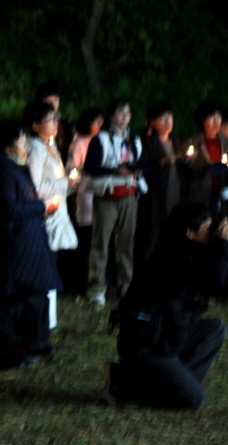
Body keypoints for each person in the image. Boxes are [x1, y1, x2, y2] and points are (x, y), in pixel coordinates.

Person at [107, 203, 227, 409]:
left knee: (214, 328)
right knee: (194, 399)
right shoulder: (175, 258)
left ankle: (172, 383)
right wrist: (222, 243)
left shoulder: (190, 250)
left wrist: (221, 245)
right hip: (149, 345)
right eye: (207, 226)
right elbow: (215, 282)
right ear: (190, 232)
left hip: (168, 337)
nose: (212, 231)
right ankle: (123, 384)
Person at [0, 119, 60, 365]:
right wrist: (40, 207)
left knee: (36, 294)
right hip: (15, 244)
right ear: (8, 145)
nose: (26, 145)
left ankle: (37, 342)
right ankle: (15, 345)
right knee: (19, 298)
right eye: (22, 140)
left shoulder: (17, 168)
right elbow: (8, 208)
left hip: (28, 241)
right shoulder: (1, 170)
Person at [83, 100, 146, 307]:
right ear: (110, 116)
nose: (124, 116)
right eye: (120, 112)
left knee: (126, 243)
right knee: (101, 242)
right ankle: (96, 288)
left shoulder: (134, 138)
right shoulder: (100, 138)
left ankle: (126, 286)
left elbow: (143, 163)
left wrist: (136, 171)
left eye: (127, 112)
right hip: (107, 195)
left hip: (129, 195)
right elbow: (90, 167)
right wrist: (114, 171)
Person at [23, 100, 77, 330]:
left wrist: (69, 184)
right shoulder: (35, 149)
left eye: (56, 118)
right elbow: (34, 188)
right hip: (44, 217)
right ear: (35, 125)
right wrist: (64, 183)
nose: (56, 123)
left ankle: (48, 320)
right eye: (50, 119)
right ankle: (44, 321)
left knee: (51, 266)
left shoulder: (50, 147)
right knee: (45, 267)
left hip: (55, 213)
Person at [64, 107, 104, 295]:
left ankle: (94, 280)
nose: (101, 125)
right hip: (85, 195)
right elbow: (72, 170)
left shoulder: (100, 141)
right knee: (85, 241)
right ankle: (80, 283)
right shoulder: (80, 143)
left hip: (98, 194)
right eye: (97, 122)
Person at [135, 103, 181, 266]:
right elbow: (141, 169)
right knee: (150, 236)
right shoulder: (147, 143)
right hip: (154, 196)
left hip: (174, 194)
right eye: (163, 119)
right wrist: (161, 162)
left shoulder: (175, 142)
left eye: (170, 118)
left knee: (170, 236)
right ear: (152, 122)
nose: (168, 122)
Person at [181, 101, 228, 214]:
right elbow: (187, 165)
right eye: (212, 117)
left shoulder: (225, 143)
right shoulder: (193, 142)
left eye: (218, 117)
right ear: (203, 121)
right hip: (199, 191)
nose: (216, 121)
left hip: (221, 192)